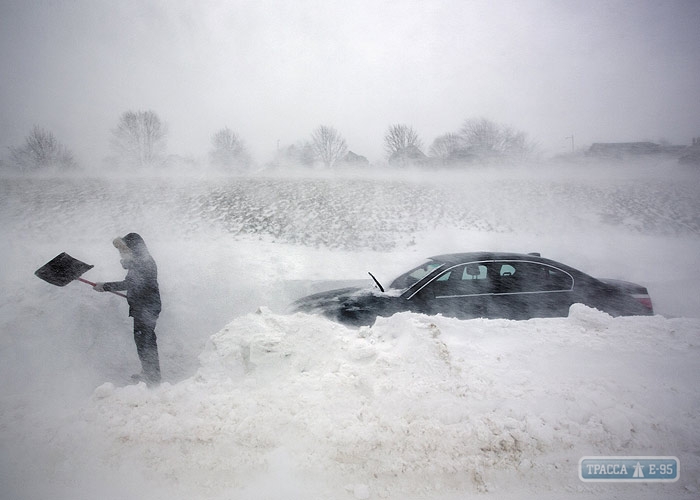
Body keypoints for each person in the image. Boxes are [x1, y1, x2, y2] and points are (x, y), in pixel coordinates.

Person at [94, 233, 162, 386]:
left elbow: (130, 284)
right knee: (143, 341)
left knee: (146, 341)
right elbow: (135, 283)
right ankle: (149, 372)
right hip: (143, 306)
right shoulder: (140, 261)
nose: (123, 252)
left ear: (135, 248)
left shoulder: (144, 263)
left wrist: (105, 286)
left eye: (126, 248)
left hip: (147, 308)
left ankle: (153, 377)